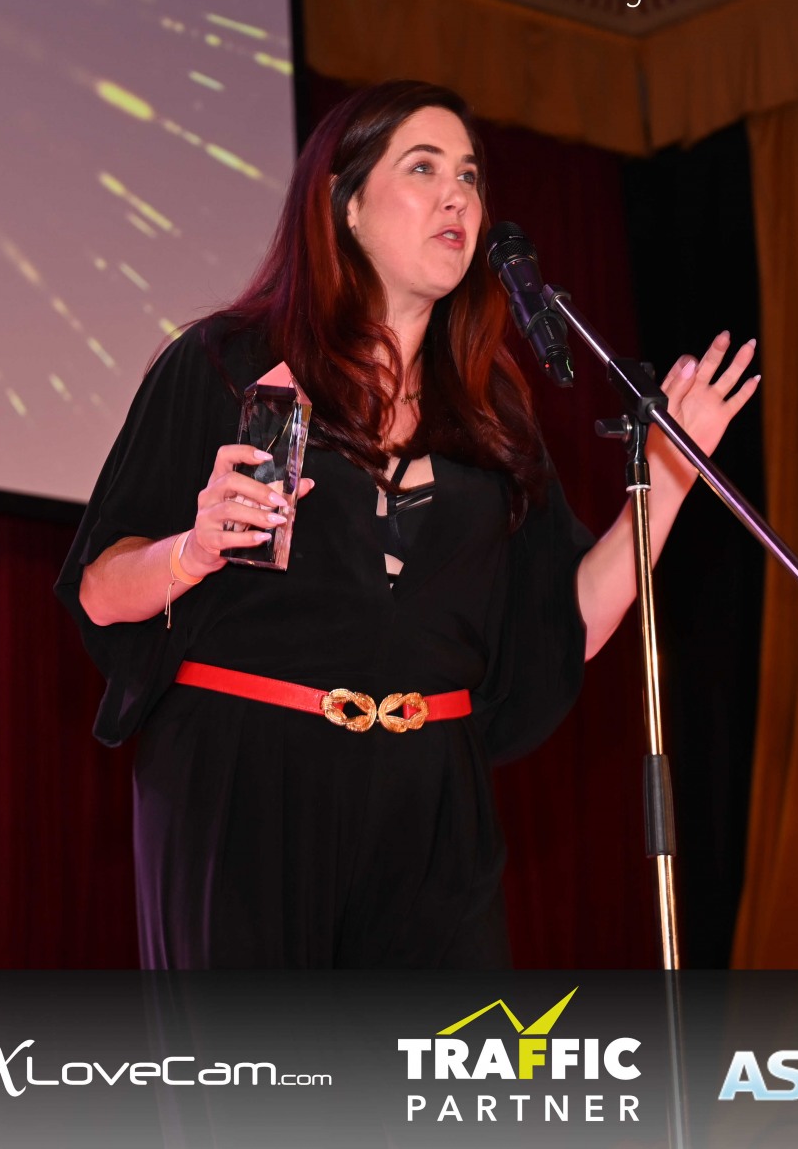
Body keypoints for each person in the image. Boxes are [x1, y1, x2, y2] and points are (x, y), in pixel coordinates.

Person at [55, 80, 757, 968]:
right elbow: (100, 589)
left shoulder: (494, 415)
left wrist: (671, 475)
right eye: (423, 168)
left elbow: (564, 622)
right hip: (248, 784)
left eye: (468, 175)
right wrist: (192, 553)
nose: (457, 195)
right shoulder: (225, 362)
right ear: (345, 206)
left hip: (433, 806)